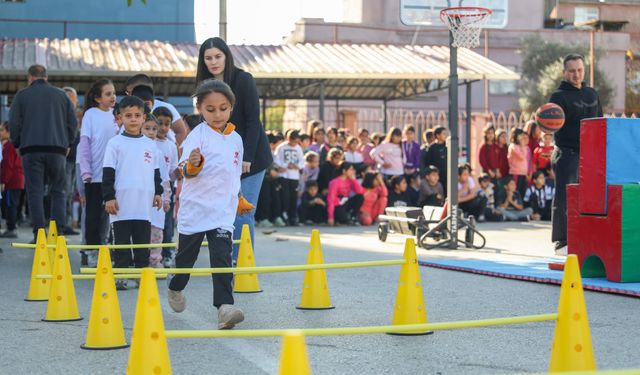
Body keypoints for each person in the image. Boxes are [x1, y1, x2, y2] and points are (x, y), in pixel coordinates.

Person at [167, 79, 245, 329]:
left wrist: (239, 197)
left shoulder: (236, 140)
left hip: (222, 211)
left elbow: (233, 173)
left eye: (223, 108)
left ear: (231, 107)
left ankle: (225, 308)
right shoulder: (196, 136)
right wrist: (192, 165)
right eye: (210, 109)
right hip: (196, 209)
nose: (218, 114)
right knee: (185, 260)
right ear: (200, 108)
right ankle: (175, 286)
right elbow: (183, 170)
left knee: (222, 256)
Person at [195, 37, 273, 261]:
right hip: (222, 159)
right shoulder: (204, 86)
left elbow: (253, 121)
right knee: (223, 213)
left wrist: (246, 157)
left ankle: (243, 264)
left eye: (218, 56)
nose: (213, 61)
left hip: (251, 158)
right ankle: (227, 260)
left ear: (226, 56)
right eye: (208, 58)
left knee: (242, 211)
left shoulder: (243, 79)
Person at [9, 64, 77, 239]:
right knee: (59, 190)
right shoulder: (62, 95)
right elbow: (72, 123)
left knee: (35, 191)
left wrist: (16, 144)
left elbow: (15, 123)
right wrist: (68, 143)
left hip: (31, 149)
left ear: (30, 77)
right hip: (58, 150)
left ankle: (39, 233)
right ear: (46, 77)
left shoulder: (22, 95)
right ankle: (58, 231)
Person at [102, 96, 163, 290]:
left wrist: (158, 193)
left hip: (143, 204)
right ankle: (120, 275)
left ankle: (141, 275)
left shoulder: (150, 145)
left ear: (144, 117)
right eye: (128, 115)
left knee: (141, 243)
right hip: (121, 203)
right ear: (120, 117)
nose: (133, 119)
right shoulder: (114, 143)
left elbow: (156, 172)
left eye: (137, 115)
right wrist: (109, 197)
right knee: (120, 243)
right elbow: (108, 172)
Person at [549, 53, 602, 255]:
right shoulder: (558, 97)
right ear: (564, 72)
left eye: (579, 70)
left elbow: (599, 122)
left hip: (590, 155)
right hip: (567, 154)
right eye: (572, 71)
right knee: (563, 198)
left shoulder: (592, 94)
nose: (576, 74)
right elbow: (549, 123)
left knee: (589, 198)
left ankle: (585, 237)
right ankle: (562, 242)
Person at [78, 79, 119, 266]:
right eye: (108, 94)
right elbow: (84, 144)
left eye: (114, 93)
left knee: (111, 215)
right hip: (94, 175)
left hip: (113, 175)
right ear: (97, 98)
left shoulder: (117, 115)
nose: (113, 97)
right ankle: (92, 250)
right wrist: (86, 171)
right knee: (93, 215)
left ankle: (107, 249)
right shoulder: (90, 114)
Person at [140, 115, 172, 268]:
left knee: (156, 233)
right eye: (147, 128)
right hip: (138, 201)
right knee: (139, 234)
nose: (151, 132)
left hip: (156, 201)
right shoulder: (134, 150)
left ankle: (154, 261)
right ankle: (138, 263)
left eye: (154, 129)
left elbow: (164, 178)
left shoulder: (158, 153)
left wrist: (166, 198)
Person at [124, 74, 188, 145]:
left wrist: (171, 150)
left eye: (131, 92)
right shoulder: (131, 109)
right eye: (127, 93)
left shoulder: (166, 107)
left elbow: (181, 131)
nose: (129, 96)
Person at [152, 107, 180, 267]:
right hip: (150, 192)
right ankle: (150, 258)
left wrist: (181, 172)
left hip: (167, 193)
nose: (163, 128)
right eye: (159, 123)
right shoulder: (148, 142)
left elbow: (173, 171)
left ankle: (166, 255)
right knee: (151, 227)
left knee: (167, 226)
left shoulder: (171, 145)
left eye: (167, 124)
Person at [274, 129, 305, 226]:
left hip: (294, 176)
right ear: (289, 139)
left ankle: (293, 217)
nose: (295, 143)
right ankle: (284, 215)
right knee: (285, 197)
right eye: (293, 141)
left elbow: (302, 161)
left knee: (293, 197)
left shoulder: (298, 148)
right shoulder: (281, 147)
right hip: (284, 176)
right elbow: (276, 159)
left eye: (297, 141)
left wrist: (297, 166)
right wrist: (282, 166)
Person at [62, 86, 81, 236]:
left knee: (70, 193)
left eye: (73, 98)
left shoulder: (76, 115)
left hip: (76, 159)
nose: (72, 101)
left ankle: (66, 223)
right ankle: (61, 223)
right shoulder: (59, 115)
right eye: (69, 98)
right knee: (64, 191)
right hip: (64, 159)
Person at [0, 122, 24, 238]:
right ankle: (12, 226)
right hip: (17, 180)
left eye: (2, 130)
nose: (0, 133)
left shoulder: (9, 146)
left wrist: (4, 181)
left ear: (9, 132)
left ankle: (11, 228)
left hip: (12, 181)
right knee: (14, 204)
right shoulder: (13, 145)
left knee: (11, 204)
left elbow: (8, 165)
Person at [423, 126, 448, 196]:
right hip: (436, 177)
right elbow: (427, 162)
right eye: (443, 134)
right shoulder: (432, 148)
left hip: (447, 176)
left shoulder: (448, 146)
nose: (445, 135)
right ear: (437, 135)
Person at [508, 128, 532, 198]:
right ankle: (513, 204)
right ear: (515, 136)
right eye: (520, 135)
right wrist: (522, 145)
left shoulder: (525, 147)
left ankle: (520, 205)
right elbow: (521, 157)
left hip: (524, 173)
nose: (522, 137)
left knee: (522, 190)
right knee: (515, 190)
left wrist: (529, 172)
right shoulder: (513, 146)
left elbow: (528, 160)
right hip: (516, 172)